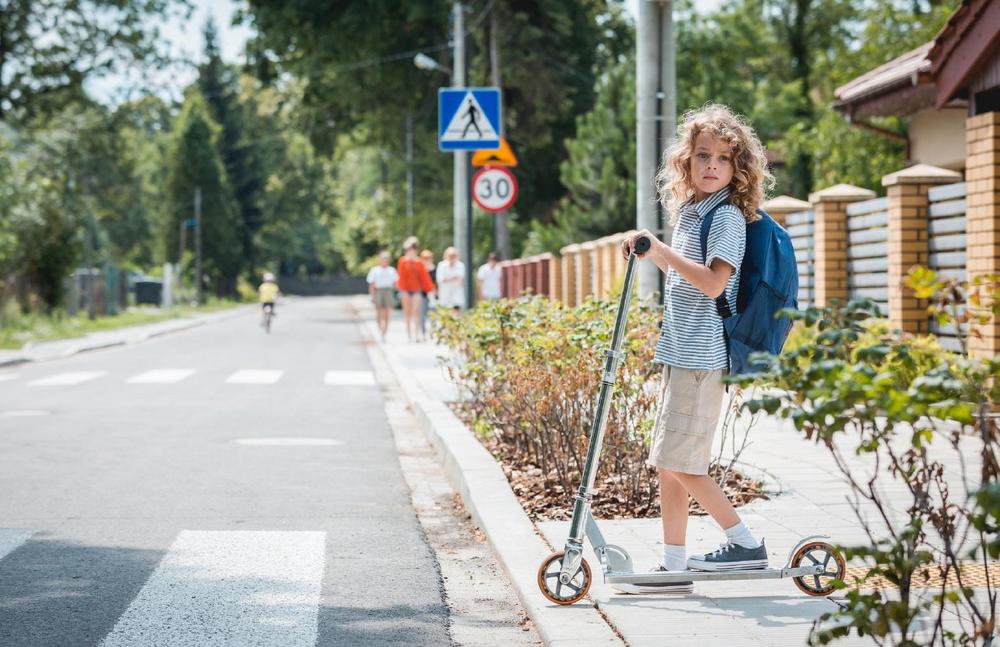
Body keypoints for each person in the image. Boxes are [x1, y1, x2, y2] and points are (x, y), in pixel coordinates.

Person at [613, 104, 774, 595]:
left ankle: (744, 543)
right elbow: (683, 277)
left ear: (737, 169)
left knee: (683, 464)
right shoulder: (691, 213)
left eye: (723, 159)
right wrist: (650, 251)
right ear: (686, 162)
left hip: (703, 356)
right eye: (702, 156)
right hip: (680, 351)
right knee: (669, 461)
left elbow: (711, 284)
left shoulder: (725, 216)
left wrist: (659, 250)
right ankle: (674, 562)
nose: (711, 166)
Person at [396, 236, 434, 342]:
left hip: (417, 289)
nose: (410, 251)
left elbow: (424, 277)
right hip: (405, 290)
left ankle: (416, 334)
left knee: (416, 312)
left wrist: (430, 289)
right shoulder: (403, 261)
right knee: (407, 312)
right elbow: (401, 276)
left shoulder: (419, 262)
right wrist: (402, 290)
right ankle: (409, 335)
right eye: (408, 249)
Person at [366, 251, 399, 342]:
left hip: (388, 291)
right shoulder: (375, 270)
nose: (384, 260)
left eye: (386, 259)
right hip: (378, 291)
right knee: (378, 312)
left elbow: (396, 283)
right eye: (383, 259)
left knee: (387, 313)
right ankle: (380, 329)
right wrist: (372, 296)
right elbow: (371, 284)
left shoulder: (392, 270)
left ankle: (384, 332)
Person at [436, 247, 466, 312]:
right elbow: (440, 279)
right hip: (445, 294)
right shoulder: (441, 265)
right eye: (450, 256)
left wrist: (447, 279)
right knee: (445, 311)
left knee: (456, 310)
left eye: (454, 256)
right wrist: (453, 278)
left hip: (456, 294)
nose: (452, 258)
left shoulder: (460, 265)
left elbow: (460, 279)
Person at [418, 249, 437, 341]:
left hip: (432, 294)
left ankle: (432, 332)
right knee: (422, 314)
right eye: (425, 258)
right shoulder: (420, 269)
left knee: (433, 314)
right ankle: (423, 333)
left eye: (428, 258)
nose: (427, 260)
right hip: (422, 294)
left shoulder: (434, 269)